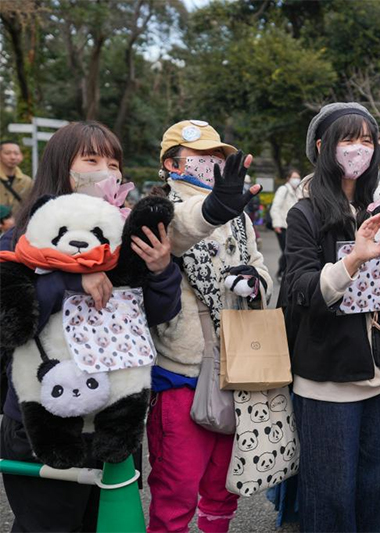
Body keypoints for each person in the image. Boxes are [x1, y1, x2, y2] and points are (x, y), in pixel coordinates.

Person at [0, 121, 181, 532]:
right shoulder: (20, 240)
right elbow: (9, 318)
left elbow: (157, 314)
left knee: (105, 524)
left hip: (113, 421)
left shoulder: (122, 236)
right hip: (41, 422)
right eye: (92, 159)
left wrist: (161, 269)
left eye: (114, 162)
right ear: (64, 167)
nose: (107, 171)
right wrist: (68, 279)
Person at [281, 102, 380, 532]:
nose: (360, 150)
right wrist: (353, 260)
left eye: (367, 141)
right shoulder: (304, 213)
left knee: (379, 490)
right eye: (348, 140)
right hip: (328, 381)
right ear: (323, 147)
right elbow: (298, 290)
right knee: (330, 498)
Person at [146, 120, 272, 533]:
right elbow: (182, 229)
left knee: (223, 484)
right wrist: (216, 206)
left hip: (238, 363)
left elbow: (260, 264)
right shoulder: (159, 209)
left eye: (218, 157)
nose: (213, 163)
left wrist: (257, 283)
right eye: (201, 158)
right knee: (176, 485)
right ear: (171, 163)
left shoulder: (239, 218)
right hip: (182, 370)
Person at [271, 168, 302, 278]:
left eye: (298, 178)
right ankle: (281, 272)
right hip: (282, 226)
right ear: (288, 178)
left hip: (293, 227)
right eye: (294, 177)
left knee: (290, 250)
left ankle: (285, 272)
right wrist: (276, 224)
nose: (296, 180)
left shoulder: (298, 191)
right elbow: (275, 207)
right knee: (286, 250)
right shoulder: (283, 189)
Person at [0, 140, 33, 215]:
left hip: (18, 225)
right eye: (7, 153)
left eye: (16, 153)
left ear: (21, 156)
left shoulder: (27, 182)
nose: (13, 157)